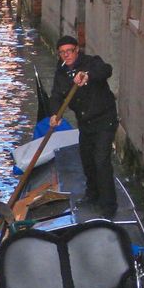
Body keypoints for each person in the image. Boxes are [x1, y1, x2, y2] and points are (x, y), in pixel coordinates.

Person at [47, 35, 119, 217]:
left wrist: (88, 76)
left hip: (104, 119)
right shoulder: (61, 73)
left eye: (69, 51)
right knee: (87, 160)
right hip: (85, 123)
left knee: (101, 161)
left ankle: (108, 206)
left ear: (77, 50)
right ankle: (93, 195)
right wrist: (55, 113)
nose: (66, 55)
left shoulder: (91, 63)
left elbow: (106, 70)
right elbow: (56, 96)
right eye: (62, 52)